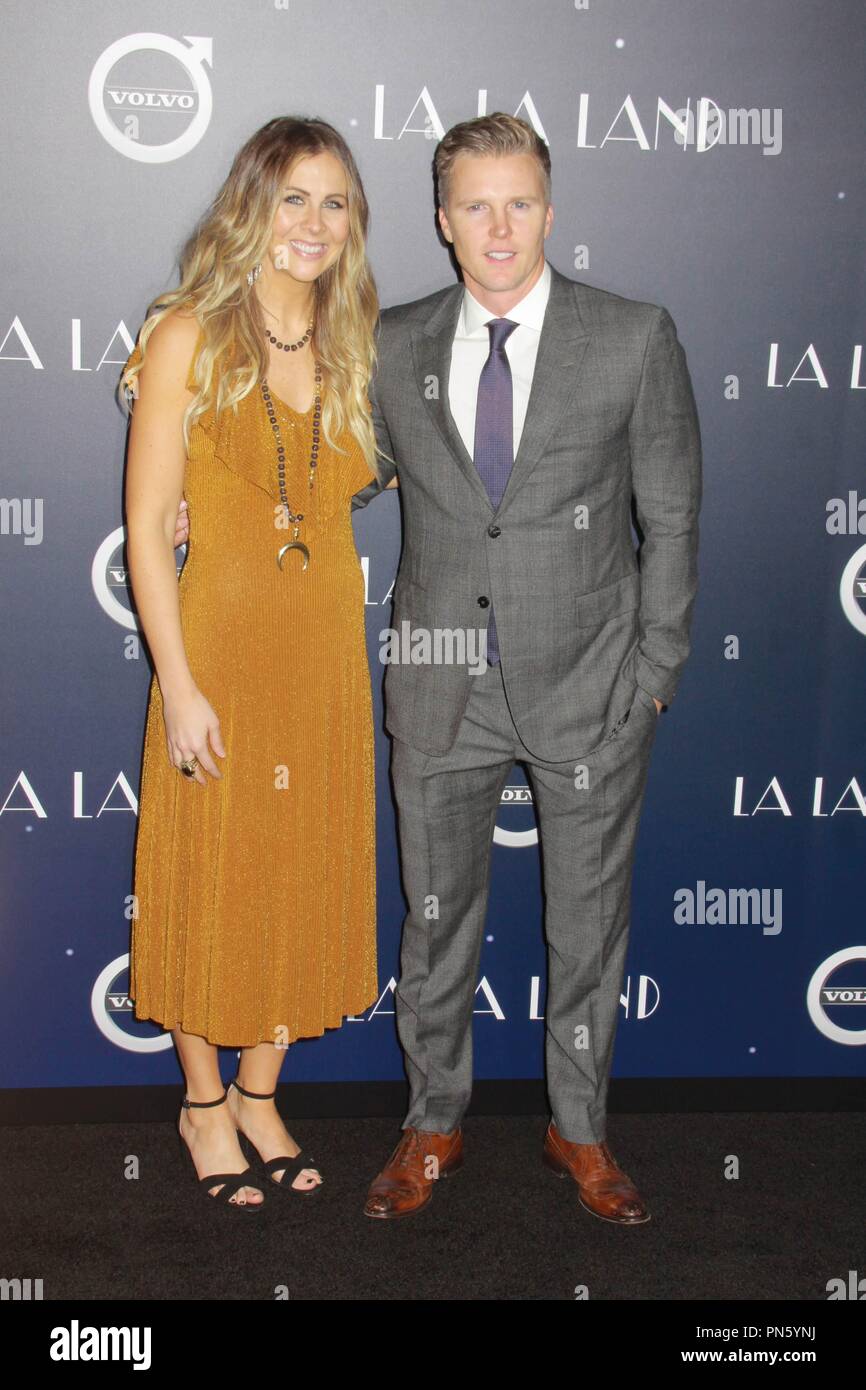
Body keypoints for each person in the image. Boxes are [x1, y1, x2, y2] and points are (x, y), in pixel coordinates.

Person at [353, 112, 703, 1224]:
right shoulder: (390, 340)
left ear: (548, 212)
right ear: (443, 220)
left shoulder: (632, 335)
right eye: (474, 205)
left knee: (584, 927)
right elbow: (336, 475)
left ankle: (579, 1131)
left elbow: (673, 519)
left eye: (517, 203)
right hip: (437, 674)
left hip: (589, 684)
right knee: (434, 918)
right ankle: (431, 1124)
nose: (497, 227)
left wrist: (649, 674)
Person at [121, 115, 394, 1213]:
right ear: (252, 206)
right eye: (293, 199)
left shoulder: (356, 339)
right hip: (219, 651)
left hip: (323, 651)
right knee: (211, 867)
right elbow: (146, 527)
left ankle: (262, 1091)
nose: (314, 224)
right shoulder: (190, 333)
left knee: (300, 863)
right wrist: (178, 684)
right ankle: (199, 1101)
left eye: (334, 202)